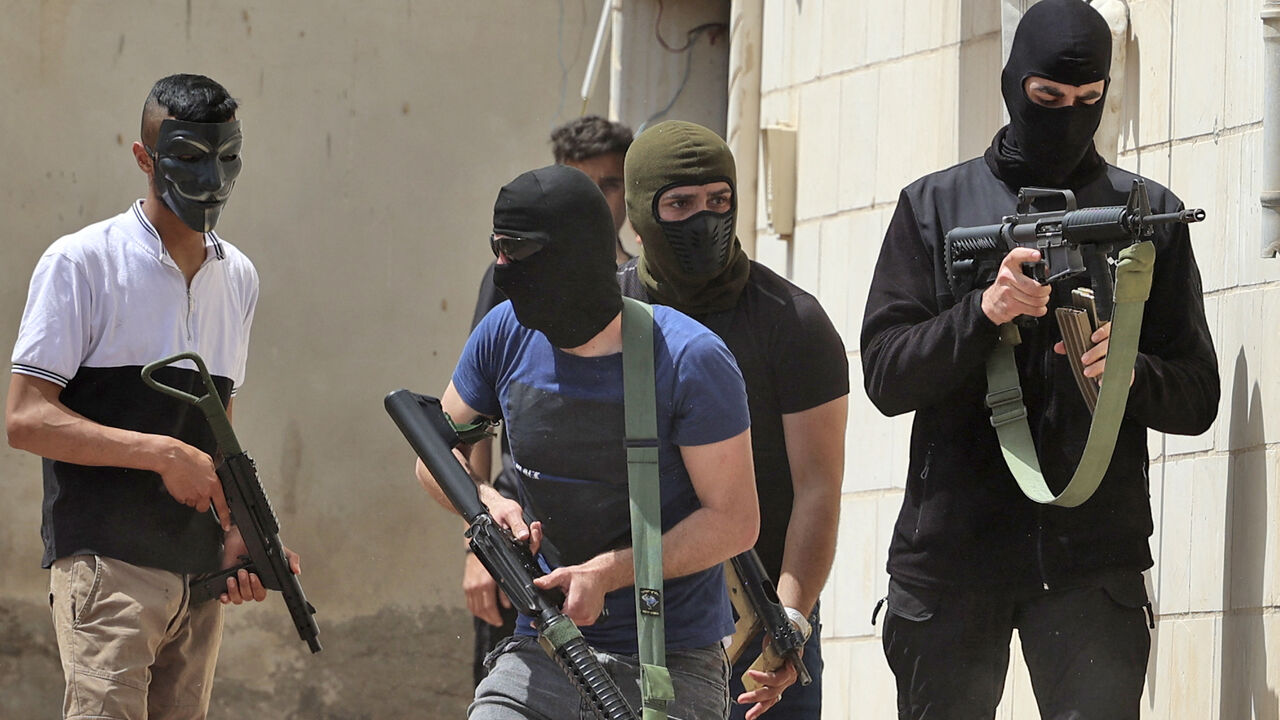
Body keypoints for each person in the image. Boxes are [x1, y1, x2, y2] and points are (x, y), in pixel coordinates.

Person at [859, 1, 1219, 717]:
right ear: (1013, 82)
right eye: (1047, 99)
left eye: (1088, 102)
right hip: (953, 560)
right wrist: (981, 313)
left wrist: (1127, 371)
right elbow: (886, 374)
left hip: (1091, 561)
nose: (1067, 117)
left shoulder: (1144, 216)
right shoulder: (934, 208)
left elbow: (1197, 396)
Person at [416, 163, 769, 718]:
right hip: (541, 648)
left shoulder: (689, 358)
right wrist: (488, 504)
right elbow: (435, 456)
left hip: (668, 663)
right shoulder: (503, 332)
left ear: (574, 254)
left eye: (517, 251)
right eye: (496, 247)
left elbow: (734, 520)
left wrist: (605, 574)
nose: (501, 269)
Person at [5, 73, 297, 720]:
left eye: (228, 157)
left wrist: (236, 534)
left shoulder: (237, 276)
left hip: (196, 575)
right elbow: (25, 420)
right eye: (189, 158)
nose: (212, 178)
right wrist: (162, 454)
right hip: (107, 568)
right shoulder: (82, 263)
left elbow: (219, 424)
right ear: (144, 158)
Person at [618, 120, 848, 720]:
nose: (704, 219)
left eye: (719, 200)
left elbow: (817, 488)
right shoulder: (605, 322)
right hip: (628, 627)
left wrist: (790, 623)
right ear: (642, 216)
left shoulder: (792, 322)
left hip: (764, 628)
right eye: (680, 204)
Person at [463, 114, 636, 687]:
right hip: (524, 528)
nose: (592, 198)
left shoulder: (639, 285)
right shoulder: (510, 277)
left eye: (607, 185)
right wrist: (477, 534)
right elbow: (469, 423)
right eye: (578, 183)